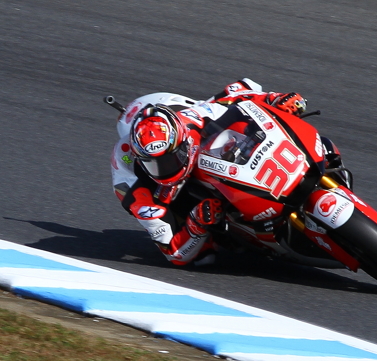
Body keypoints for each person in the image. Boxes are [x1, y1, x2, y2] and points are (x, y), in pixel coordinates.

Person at [110, 79, 307, 266]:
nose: (167, 167)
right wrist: (195, 224)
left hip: (211, 156)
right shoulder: (135, 187)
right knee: (203, 257)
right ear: (140, 159)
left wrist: (277, 99)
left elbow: (238, 97)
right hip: (173, 198)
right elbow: (174, 253)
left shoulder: (192, 118)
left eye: (172, 158)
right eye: (156, 164)